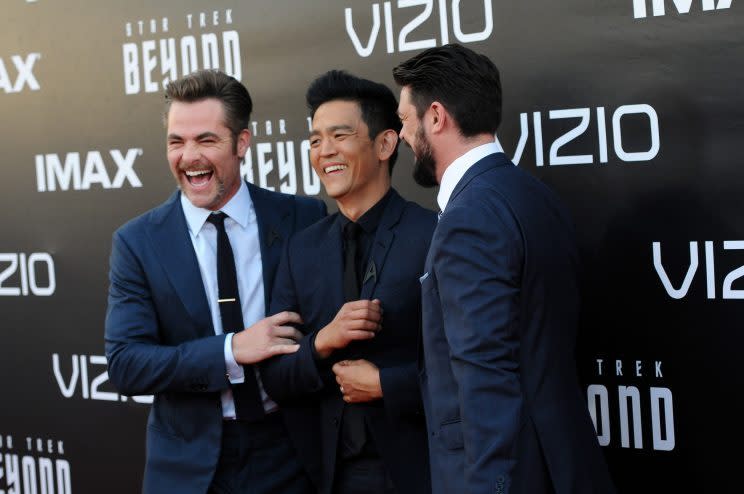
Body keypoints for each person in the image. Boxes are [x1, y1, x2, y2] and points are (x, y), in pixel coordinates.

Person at [392, 44, 617, 494]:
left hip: (513, 475)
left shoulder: (468, 217)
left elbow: (484, 376)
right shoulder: (534, 195)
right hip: (564, 462)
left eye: (404, 120)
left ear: (436, 117)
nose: (400, 135)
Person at [104, 69, 326, 494]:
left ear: (242, 143)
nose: (189, 157)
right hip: (189, 468)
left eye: (206, 140)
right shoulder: (137, 242)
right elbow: (126, 364)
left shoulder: (303, 219)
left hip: (293, 453)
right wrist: (231, 351)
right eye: (176, 142)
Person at [261, 70, 435, 494]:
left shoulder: (432, 236)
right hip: (329, 476)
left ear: (385, 144)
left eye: (339, 135)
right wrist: (323, 341)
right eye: (316, 140)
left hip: (419, 471)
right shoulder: (301, 250)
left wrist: (386, 385)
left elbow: (468, 373)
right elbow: (277, 377)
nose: (325, 151)